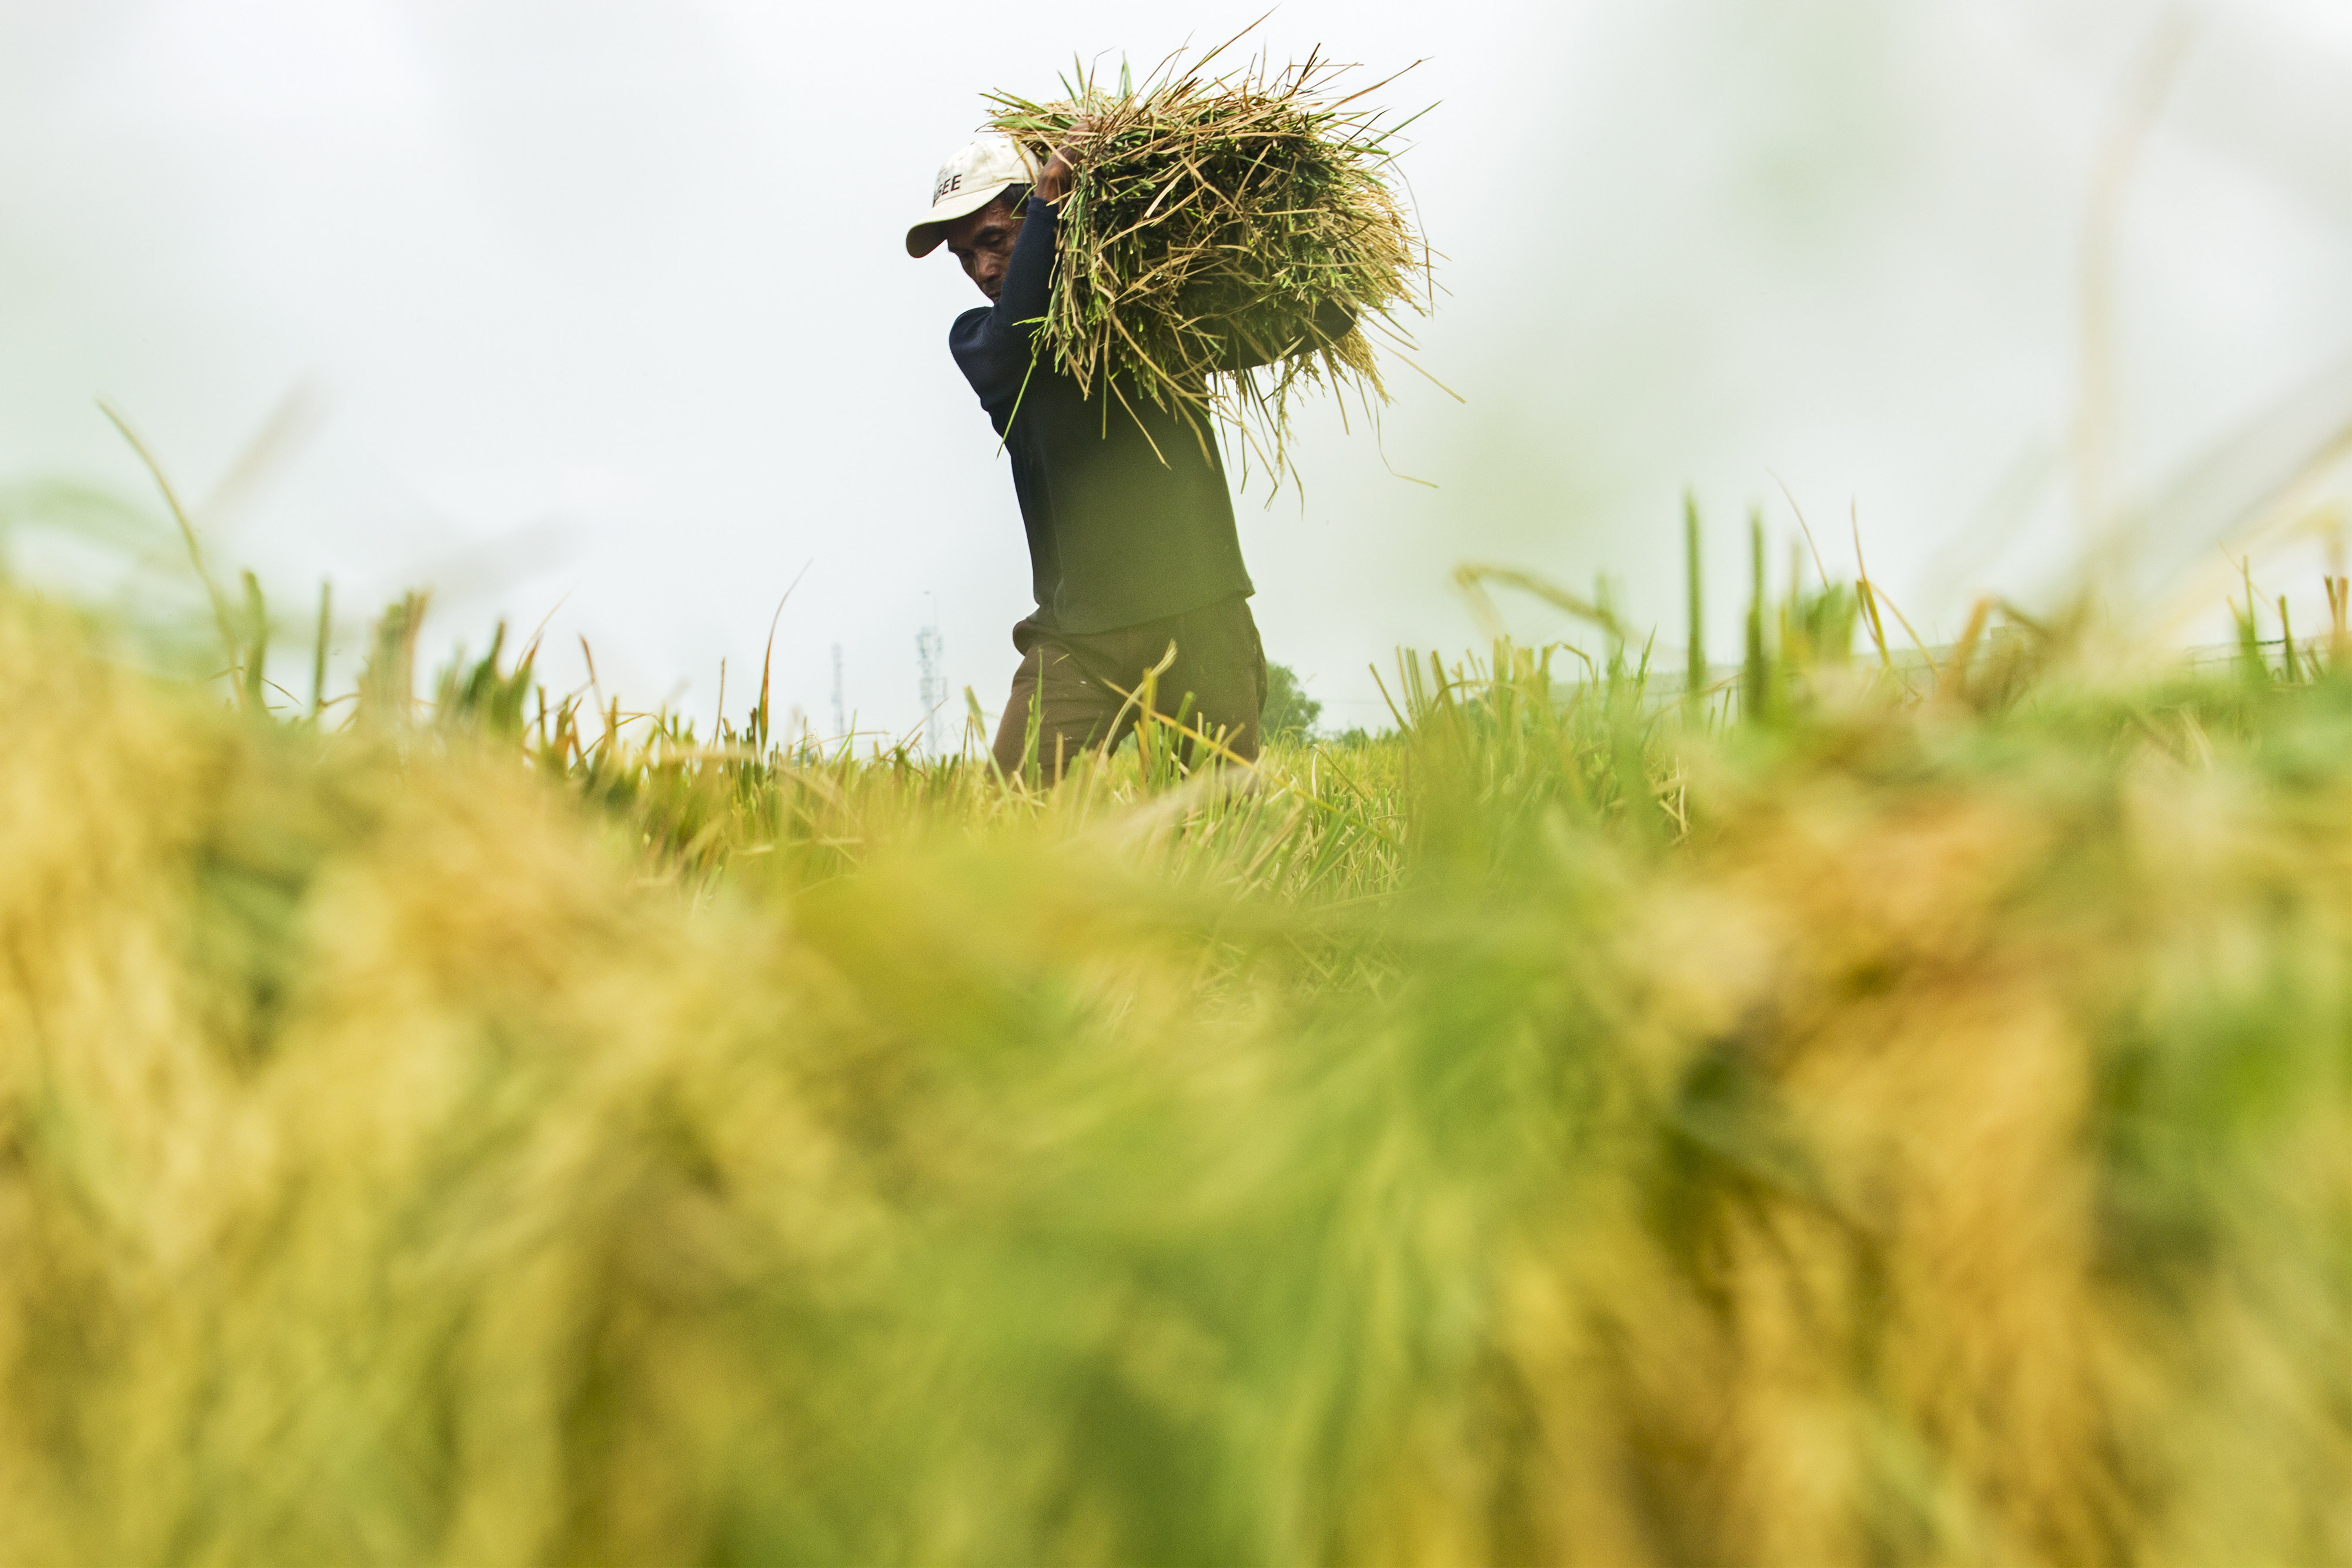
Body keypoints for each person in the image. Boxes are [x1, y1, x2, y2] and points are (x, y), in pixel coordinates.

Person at [905, 133, 1333, 784]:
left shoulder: (1145, 319)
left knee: (1217, 848)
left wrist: (1303, 226)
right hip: (1079, 640)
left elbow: (1320, 319)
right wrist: (1049, 204)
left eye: (994, 240)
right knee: (1002, 822)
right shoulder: (983, 344)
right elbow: (1023, 331)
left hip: (1203, 625)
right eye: (964, 257)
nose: (982, 270)